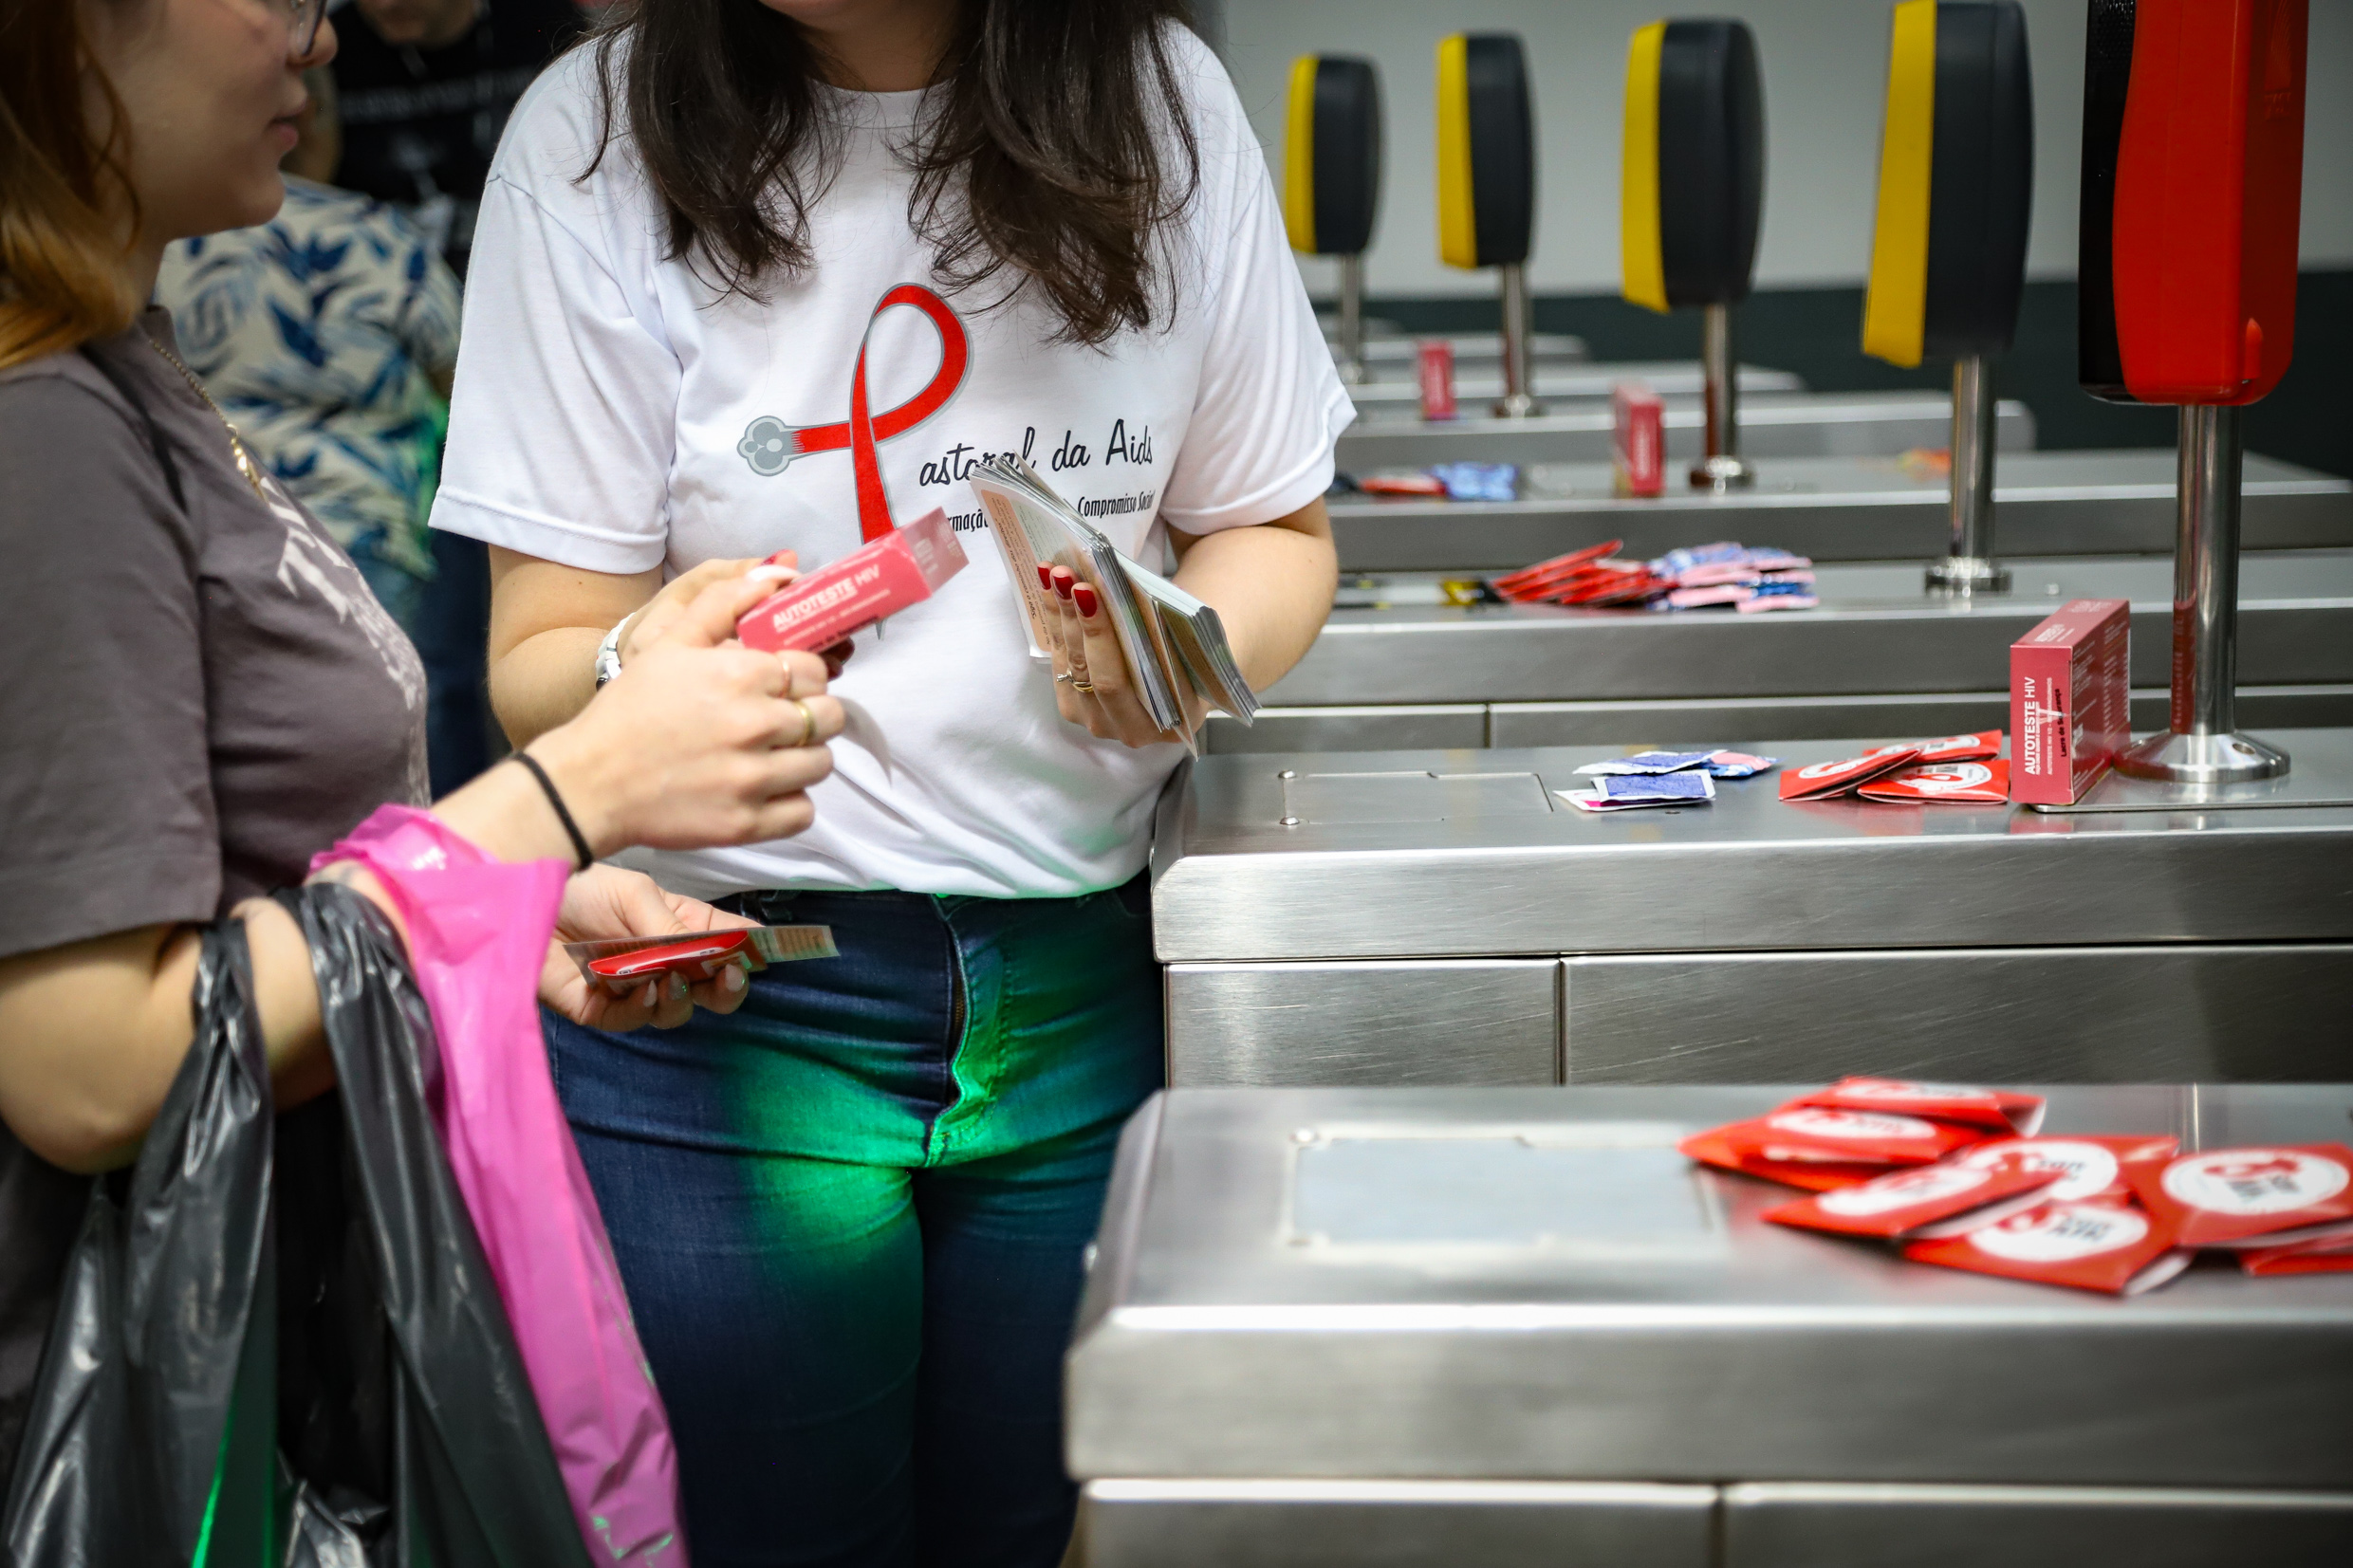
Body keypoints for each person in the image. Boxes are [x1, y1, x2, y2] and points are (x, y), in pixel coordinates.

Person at [436, 0, 1348, 1560]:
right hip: (723, 1007)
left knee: (1041, 1526)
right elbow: (536, 649)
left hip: (1082, 982)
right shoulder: (591, 134)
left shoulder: (1161, 100)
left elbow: (1272, 527)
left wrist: (1186, 654)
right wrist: (641, 671)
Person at [0, 0, 844, 1494]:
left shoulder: (124, 367)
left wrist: (491, 903)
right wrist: (575, 791)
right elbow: (92, 1069)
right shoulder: (46, 434)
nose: (317, 40)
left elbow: (227, 883)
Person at [156, 68, 460, 639]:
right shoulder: (375, 236)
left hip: (199, 539)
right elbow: (466, 386)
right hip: (362, 542)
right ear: (309, 119)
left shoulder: (166, 237)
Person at [330, 0, 586, 276]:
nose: (384, 4)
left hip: (528, 260)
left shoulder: (547, 25)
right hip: (384, 270)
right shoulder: (333, 47)